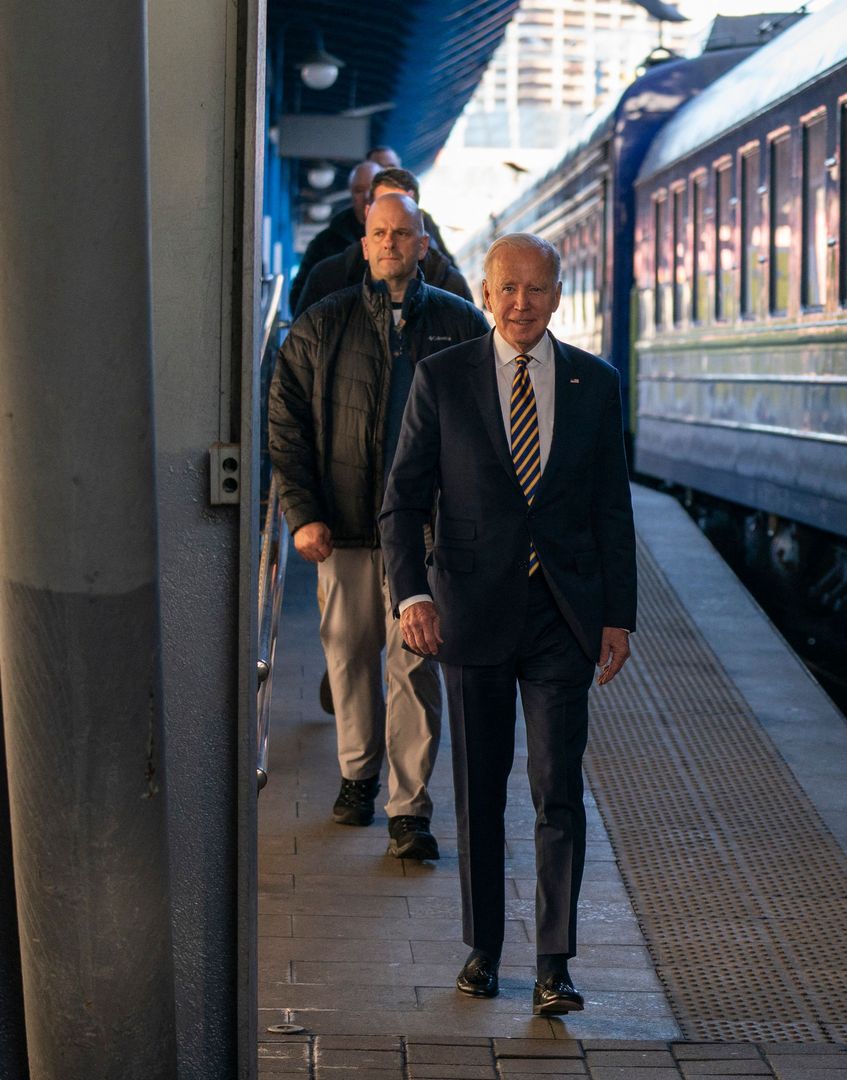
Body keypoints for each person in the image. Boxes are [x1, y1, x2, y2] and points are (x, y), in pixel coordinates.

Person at [381, 232, 637, 1016]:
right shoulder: (443, 378)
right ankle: (483, 951)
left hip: (562, 616)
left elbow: (611, 509)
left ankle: (555, 965)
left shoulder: (595, 383)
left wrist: (617, 617)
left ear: (559, 295)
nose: (521, 303)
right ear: (487, 295)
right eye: (507, 289)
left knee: (559, 791)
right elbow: (403, 500)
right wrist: (411, 597)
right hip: (471, 614)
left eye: (536, 289)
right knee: (481, 790)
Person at [268, 193, 491, 860]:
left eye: (403, 234)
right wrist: (301, 516)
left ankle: (408, 809)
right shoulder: (321, 325)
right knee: (349, 658)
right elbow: (285, 427)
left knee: (414, 669)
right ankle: (357, 776)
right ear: (362, 246)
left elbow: (488, 435)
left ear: (425, 245)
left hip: (425, 538)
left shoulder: (460, 326)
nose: (391, 243)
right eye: (379, 233)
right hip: (346, 529)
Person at [295, 168, 472, 315]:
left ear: (419, 218)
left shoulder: (449, 282)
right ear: (367, 213)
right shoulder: (328, 276)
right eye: (383, 205)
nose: (393, 216)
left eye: (404, 208)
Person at [288, 160, 379, 310]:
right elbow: (298, 300)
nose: (367, 196)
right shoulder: (323, 244)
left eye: (373, 189)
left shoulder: (399, 241)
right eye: (359, 190)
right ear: (351, 194)